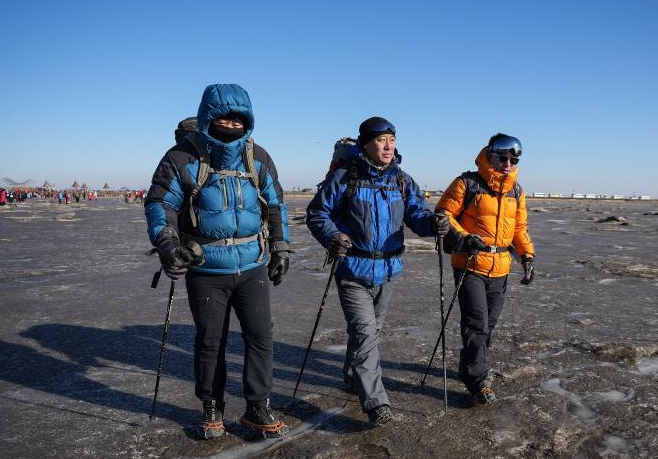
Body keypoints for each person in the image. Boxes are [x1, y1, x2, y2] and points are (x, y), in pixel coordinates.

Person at [145, 83, 291, 439]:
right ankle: (212, 407)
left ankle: (258, 407)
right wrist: (166, 244)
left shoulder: (259, 157)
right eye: (223, 116)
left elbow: (275, 204)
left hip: (252, 264)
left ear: (249, 120)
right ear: (208, 116)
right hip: (206, 268)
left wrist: (281, 247)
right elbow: (160, 204)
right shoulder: (181, 157)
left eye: (238, 117)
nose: (231, 123)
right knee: (211, 341)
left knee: (261, 338)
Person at [306, 116, 449, 427]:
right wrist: (333, 237)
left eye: (392, 140)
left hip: (388, 270)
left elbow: (416, 214)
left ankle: (351, 376)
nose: (388, 145)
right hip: (353, 270)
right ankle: (376, 401)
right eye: (381, 140)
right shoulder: (345, 177)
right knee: (365, 333)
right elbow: (318, 213)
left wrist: (432, 223)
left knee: (370, 332)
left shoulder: (401, 180)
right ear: (366, 144)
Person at [435, 133, 535, 405]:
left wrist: (526, 256)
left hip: (501, 267)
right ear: (489, 155)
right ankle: (479, 381)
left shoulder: (517, 191)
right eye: (502, 158)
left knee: (488, 325)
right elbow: (443, 215)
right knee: (476, 323)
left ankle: (469, 366)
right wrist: (464, 238)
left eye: (513, 160)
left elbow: (519, 229)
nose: (507, 164)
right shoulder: (467, 183)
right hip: (470, 265)